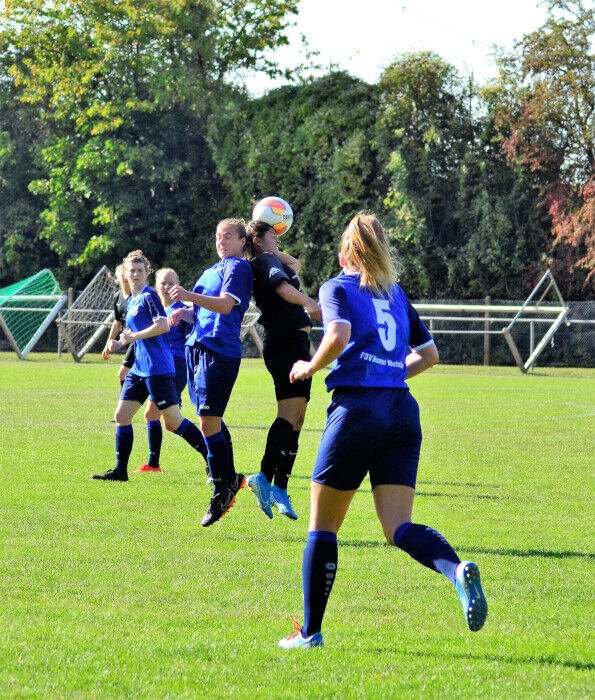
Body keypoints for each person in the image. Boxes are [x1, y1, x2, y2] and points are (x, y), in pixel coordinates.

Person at [278, 212, 487, 649]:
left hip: (358, 409)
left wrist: (309, 366)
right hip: (402, 412)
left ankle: (310, 632)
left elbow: (337, 333)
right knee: (398, 526)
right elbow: (429, 355)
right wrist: (390, 371)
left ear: (345, 253)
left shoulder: (337, 286)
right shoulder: (395, 293)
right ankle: (456, 569)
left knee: (323, 526)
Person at [92, 251, 210, 484]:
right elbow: (135, 336)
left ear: (147, 273)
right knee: (121, 416)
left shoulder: (149, 296)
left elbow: (163, 325)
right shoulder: (131, 300)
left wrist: (133, 336)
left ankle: (213, 460)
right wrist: (119, 342)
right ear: (124, 273)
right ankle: (120, 470)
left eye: (139, 270)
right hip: (139, 369)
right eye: (131, 270)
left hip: (158, 369)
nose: (135, 274)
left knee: (174, 422)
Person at [168, 219, 253, 527]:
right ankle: (230, 480)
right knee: (210, 419)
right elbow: (203, 311)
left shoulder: (238, 268)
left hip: (220, 351)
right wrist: (185, 312)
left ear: (243, 241)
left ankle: (222, 490)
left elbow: (225, 306)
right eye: (218, 236)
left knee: (208, 421)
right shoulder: (210, 271)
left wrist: (188, 295)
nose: (221, 241)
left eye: (228, 236)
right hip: (197, 350)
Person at [244, 219, 321, 520]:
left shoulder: (268, 257)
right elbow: (283, 286)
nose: (278, 241)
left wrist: (271, 244)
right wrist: (309, 302)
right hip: (284, 343)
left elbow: (296, 264)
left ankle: (281, 487)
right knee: (288, 415)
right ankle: (263, 477)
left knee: (298, 419)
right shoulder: (263, 261)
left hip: (296, 343)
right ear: (258, 242)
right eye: (272, 236)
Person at [135, 267, 208, 473]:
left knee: (158, 416)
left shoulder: (182, 309)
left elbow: (196, 329)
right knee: (162, 420)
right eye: (162, 283)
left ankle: (155, 463)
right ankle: (154, 463)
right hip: (158, 367)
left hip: (176, 366)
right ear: (156, 286)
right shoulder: (156, 311)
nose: (166, 287)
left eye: (170, 283)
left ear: (177, 285)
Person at [102, 264, 135, 387]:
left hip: (136, 341)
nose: (125, 277)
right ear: (117, 278)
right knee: (134, 375)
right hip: (126, 341)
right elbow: (117, 322)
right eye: (122, 275)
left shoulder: (137, 297)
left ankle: (126, 401)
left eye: (127, 274)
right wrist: (108, 344)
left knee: (122, 374)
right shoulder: (117, 297)